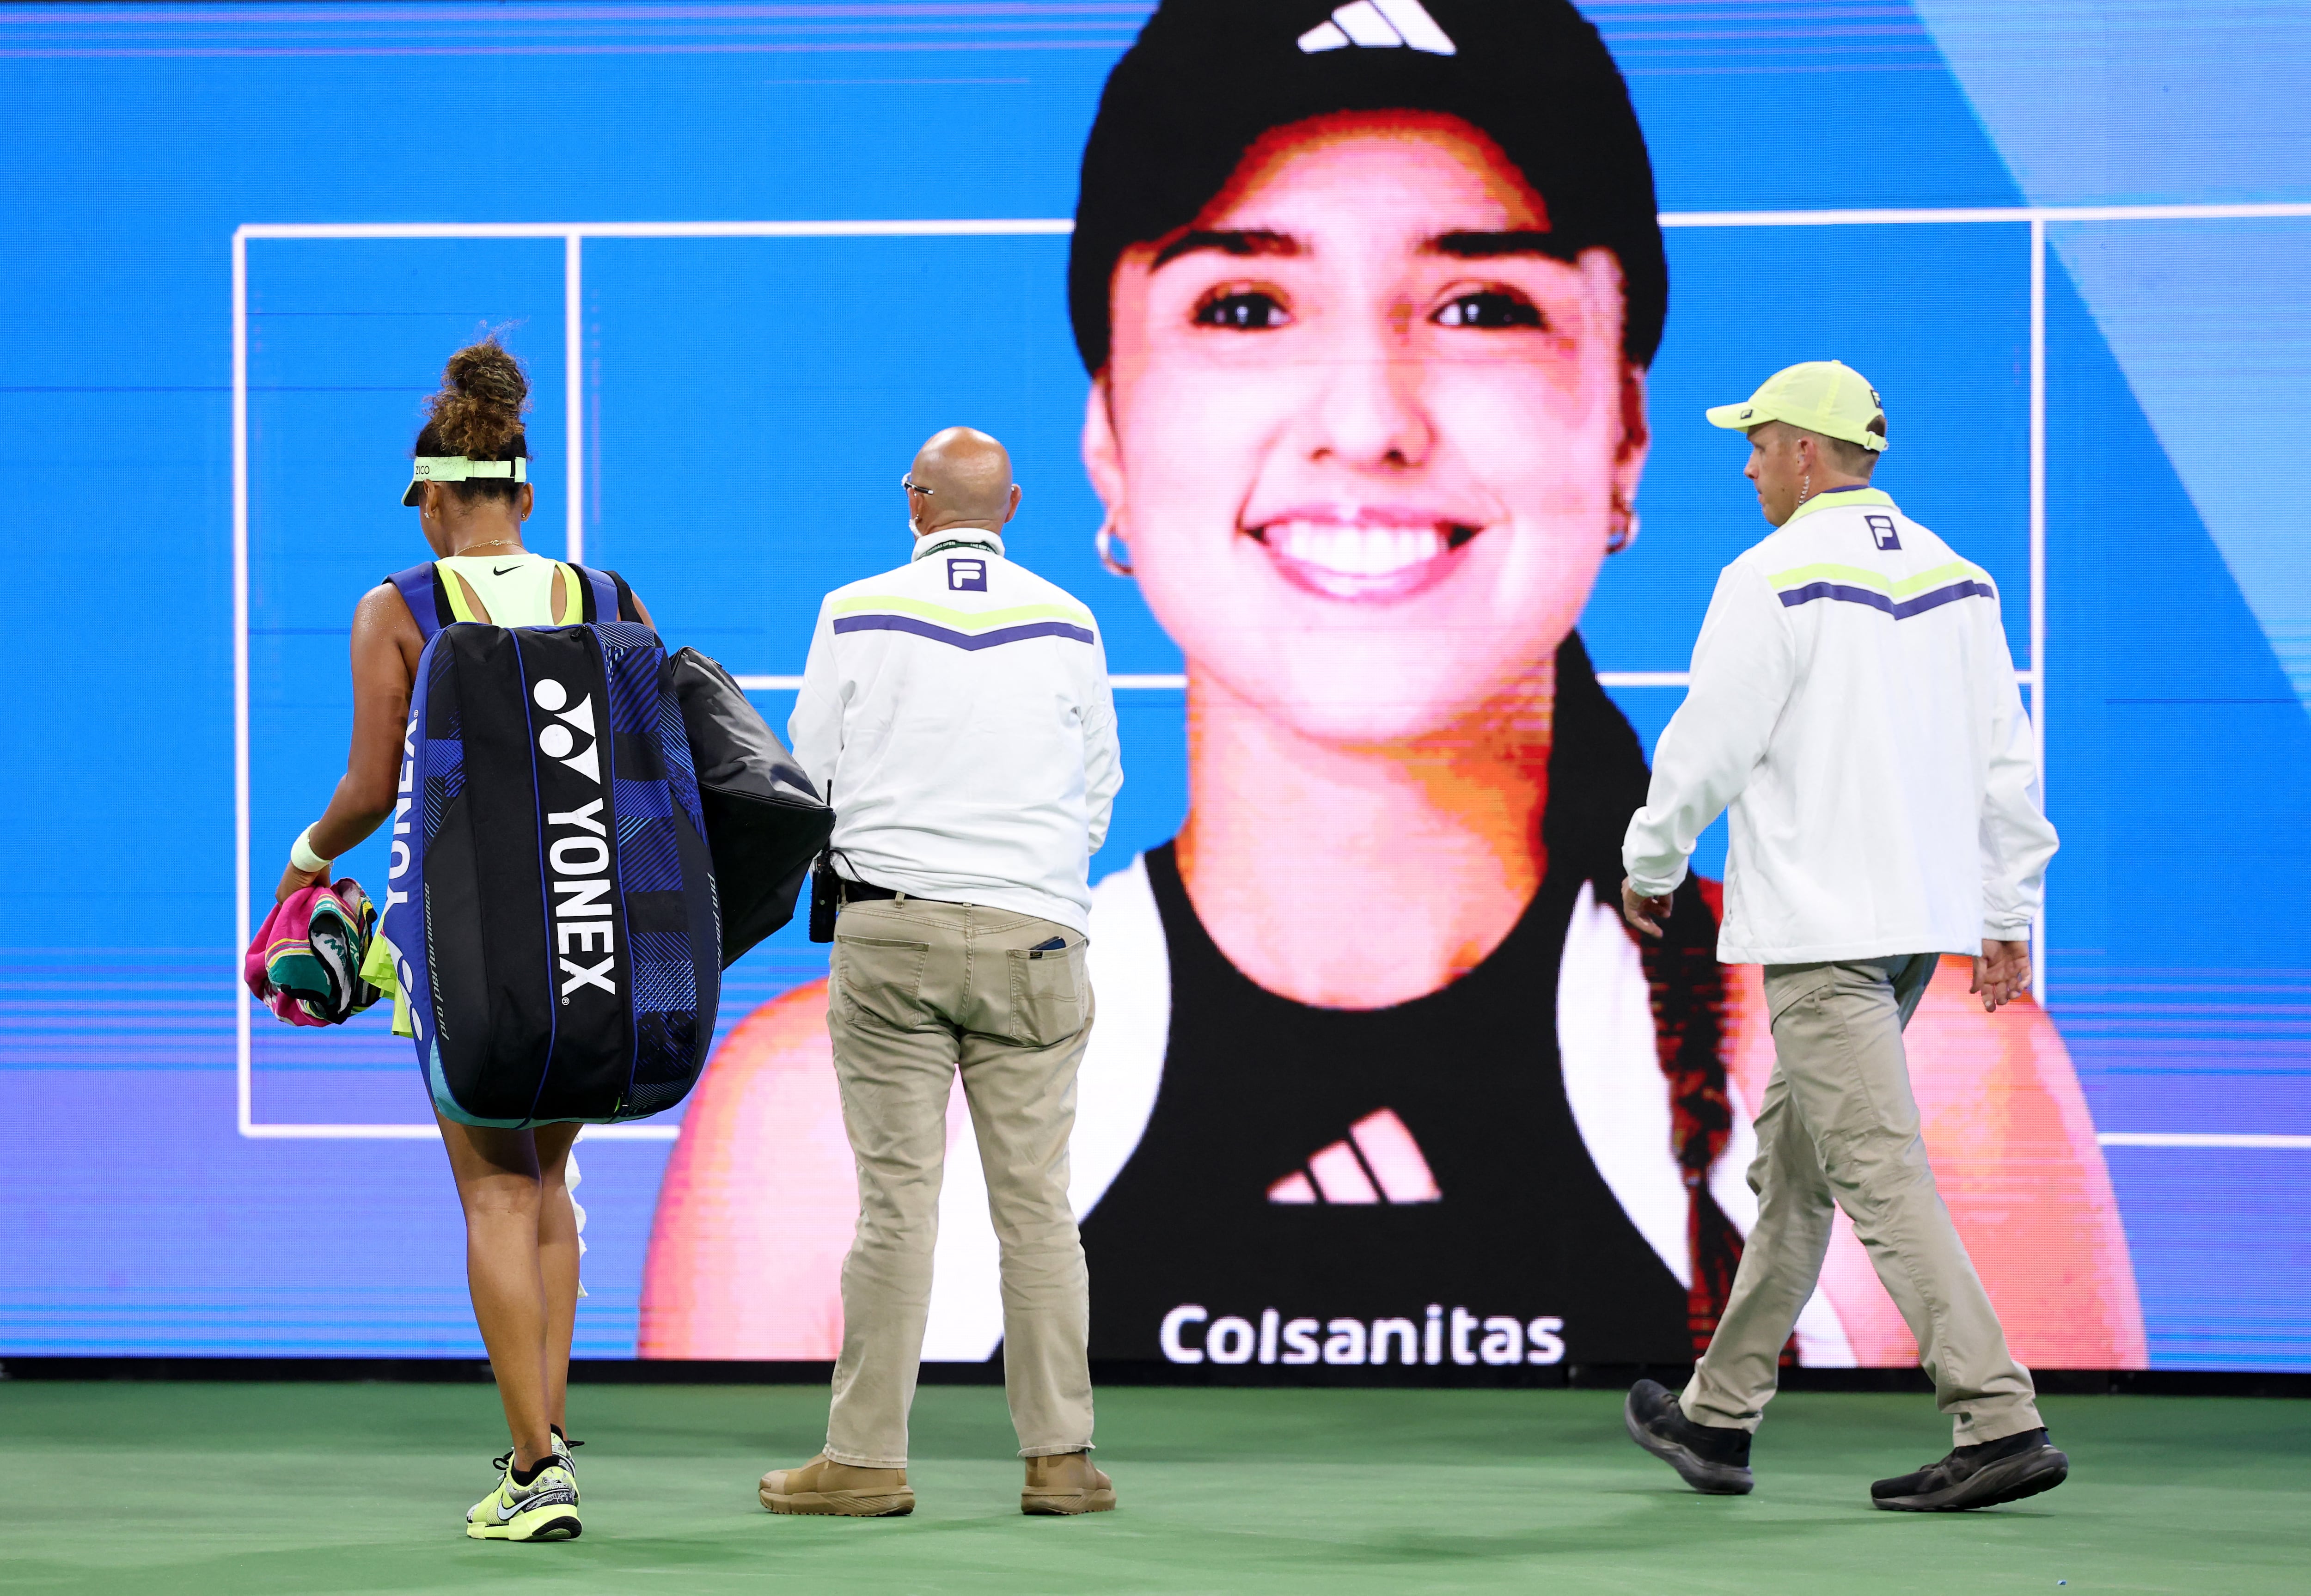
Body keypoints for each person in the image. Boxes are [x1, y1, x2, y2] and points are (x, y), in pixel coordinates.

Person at [642, 0, 2140, 1375]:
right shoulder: (817, 1124)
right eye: (1244, 305)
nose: (1367, 419)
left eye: (1481, 305)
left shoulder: (1932, 1078)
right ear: (1106, 433)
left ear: (1623, 428)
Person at [1620, 360, 2071, 1512]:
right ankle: (1719, 1415)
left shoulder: (1768, 576)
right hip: (1916, 929)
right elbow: (2006, 760)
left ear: (1809, 453)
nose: (1747, 462)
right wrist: (2007, 908)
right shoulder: (1961, 580)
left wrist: (1652, 861)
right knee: (1799, 1175)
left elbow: (1706, 743)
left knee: (1868, 1168)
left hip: (1821, 937)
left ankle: (1996, 1413)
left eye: (1760, 443)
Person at [275, 338, 654, 1542]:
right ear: (524, 493)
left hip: (463, 951)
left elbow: (369, 789)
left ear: (437, 497)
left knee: (494, 1194)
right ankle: (543, 1450)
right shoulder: (607, 598)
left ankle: (537, 1471)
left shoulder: (398, 605)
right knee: (550, 1185)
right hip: (592, 940)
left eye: (426, 502)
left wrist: (301, 862)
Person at [750, 427, 1123, 1519]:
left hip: (891, 934)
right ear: (1010, 504)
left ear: (913, 501)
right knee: (1039, 1211)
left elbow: (803, 775)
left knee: (896, 1207)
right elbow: (1097, 786)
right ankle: (1061, 1460)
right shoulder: (1071, 617)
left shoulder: (851, 609)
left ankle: (865, 1461)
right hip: (1037, 938)